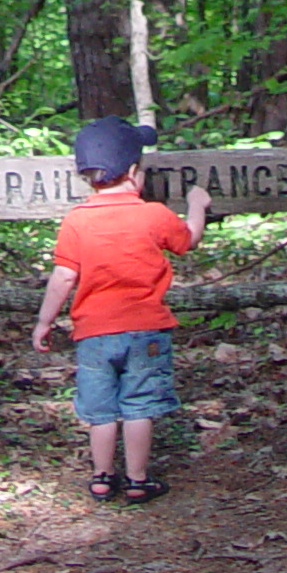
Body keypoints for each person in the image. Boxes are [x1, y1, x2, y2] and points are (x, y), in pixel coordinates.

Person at [29, 116, 212, 504]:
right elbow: (189, 239)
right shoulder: (153, 214)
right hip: (146, 330)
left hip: (93, 334)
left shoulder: (76, 221)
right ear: (133, 173)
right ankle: (137, 479)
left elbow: (63, 277)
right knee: (139, 406)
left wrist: (45, 321)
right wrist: (197, 205)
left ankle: (101, 476)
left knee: (100, 410)